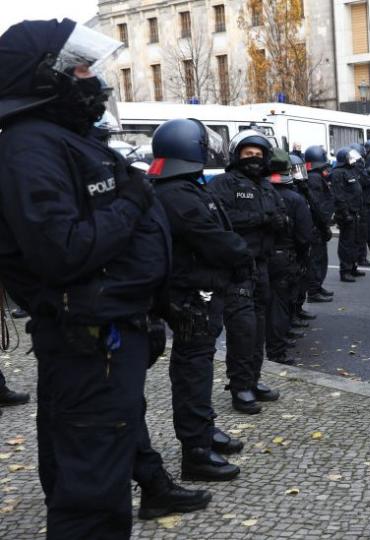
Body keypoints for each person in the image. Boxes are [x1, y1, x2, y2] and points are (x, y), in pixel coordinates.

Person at [0, 19, 210, 536]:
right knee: (92, 497)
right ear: (42, 78)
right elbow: (65, 250)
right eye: (79, 67)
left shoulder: (59, 139)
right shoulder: (30, 146)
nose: (92, 77)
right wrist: (135, 200)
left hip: (108, 337)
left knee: (97, 469)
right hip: (90, 342)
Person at [148, 118, 249, 481]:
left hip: (195, 292)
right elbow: (212, 237)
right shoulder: (177, 194)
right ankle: (195, 452)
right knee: (193, 370)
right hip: (192, 296)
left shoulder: (176, 186)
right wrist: (242, 250)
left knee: (198, 366)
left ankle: (203, 433)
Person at [209, 129, 284, 414]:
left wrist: (280, 221)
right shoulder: (223, 184)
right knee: (242, 329)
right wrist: (261, 219)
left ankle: (253, 379)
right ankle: (239, 386)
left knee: (259, 328)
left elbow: (279, 215)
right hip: (236, 268)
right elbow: (220, 220)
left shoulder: (267, 187)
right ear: (236, 156)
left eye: (258, 155)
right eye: (248, 154)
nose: (254, 159)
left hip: (262, 267)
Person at [264, 150, 313, 366]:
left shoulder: (260, 192)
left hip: (260, 258)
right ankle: (277, 350)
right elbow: (304, 236)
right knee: (280, 306)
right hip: (285, 258)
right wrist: (302, 259)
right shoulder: (295, 198)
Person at [303, 145, 335, 302]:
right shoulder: (314, 178)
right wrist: (324, 226)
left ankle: (317, 286)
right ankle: (314, 291)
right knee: (317, 260)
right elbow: (318, 205)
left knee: (320, 259)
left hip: (317, 225)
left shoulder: (313, 176)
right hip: (317, 226)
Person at [330, 147, 366, 282]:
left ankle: (353, 267)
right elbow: (339, 195)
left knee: (356, 241)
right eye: (349, 157)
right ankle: (345, 271)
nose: (352, 160)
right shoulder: (338, 173)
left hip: (355, 211)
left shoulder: (351, 170)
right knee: (347, 243)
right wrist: (345, 213)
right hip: (346, 214)